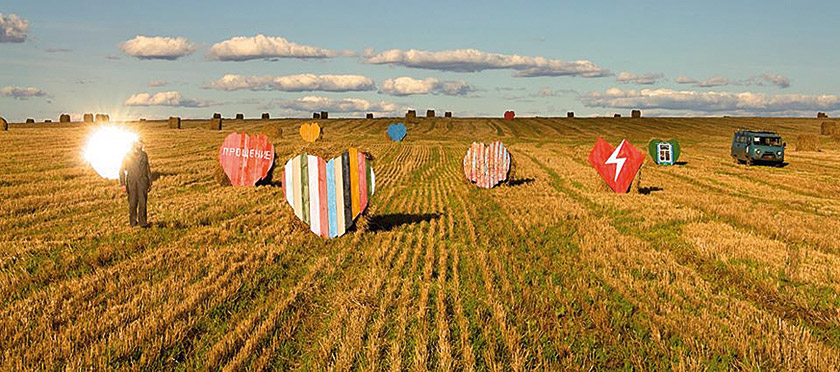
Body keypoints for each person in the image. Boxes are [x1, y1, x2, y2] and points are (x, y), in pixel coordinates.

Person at [119, 140, 152, 227]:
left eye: (141, 144)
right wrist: (122, 184)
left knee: (143, 203)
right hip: (131, 182)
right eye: (139, 144)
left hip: (143, 182)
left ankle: (143, 223)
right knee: (132, 203)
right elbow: (121, 170)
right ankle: (133, 223)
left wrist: (149, 181)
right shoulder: (127, 156)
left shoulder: (144, 155)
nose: (141, 145)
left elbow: (147, 168)